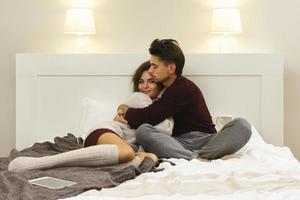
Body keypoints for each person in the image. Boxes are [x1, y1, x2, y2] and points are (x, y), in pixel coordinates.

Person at [8, 61, 167, 172]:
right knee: (127, 153)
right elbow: (162, 130)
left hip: (112, 151)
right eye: (141, 81)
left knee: (151, 158)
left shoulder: (159, 109)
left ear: (160, 85)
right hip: (105, 133)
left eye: (151, 81)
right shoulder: (139, 99)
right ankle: (40, 163)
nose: (144, 86)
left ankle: (82, 164)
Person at [115, 39, 252, 160]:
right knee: (143, 131)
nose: (150, 70)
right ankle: (198, 157)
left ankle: (195, 157)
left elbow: (147, 116)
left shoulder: (182, 88)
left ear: (171, 68)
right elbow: (147, 116)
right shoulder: (161, 90)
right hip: (179, 142)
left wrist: (124, 109)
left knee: (242, 125)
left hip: (206, 140)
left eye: (155, 66)